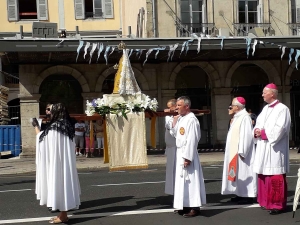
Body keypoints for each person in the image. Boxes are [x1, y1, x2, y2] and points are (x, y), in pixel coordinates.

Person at [32, 103, 81, 224]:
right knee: (63, 184)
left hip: (57, 162)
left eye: (52, 111)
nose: (51, 113)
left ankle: (63, 215)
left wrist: (35, 127)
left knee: (59, 184)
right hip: (64, 162)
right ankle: (63, 214)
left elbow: (43, 141)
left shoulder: (55, 127)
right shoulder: (67, 125)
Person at [253, 83, 291, 215]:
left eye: (265, 92)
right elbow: (258, 124)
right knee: (263, 174)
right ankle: (265, 201)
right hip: (264, 147)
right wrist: (256, 131)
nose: (262, 94)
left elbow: (280, 129)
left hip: (275, 149)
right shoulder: (265, 109)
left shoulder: (283, 109)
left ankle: (277, 204)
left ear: (272, 94)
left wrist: (263, 133)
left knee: (274, 176)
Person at [170, 96, 206, 218]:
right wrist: (174, 122)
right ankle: (184, 205)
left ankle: (194, 207)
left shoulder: (192, 120)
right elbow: (176, 134)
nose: (176, 107)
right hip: (180, 152)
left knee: (190, 181)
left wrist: (187, 157)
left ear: (187, 106)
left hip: (187, 153)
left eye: (179, 105)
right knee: (182, 182)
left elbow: (192, 140)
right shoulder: (182, 118)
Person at [221, 97, 257, 204]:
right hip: (234, 151)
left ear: (237, 107)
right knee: (237, 174)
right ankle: (239, 193)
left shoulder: (245, 117)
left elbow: (246, 136)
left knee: (244, 173)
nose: (230, 107)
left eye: (231, 105)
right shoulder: (237, 117)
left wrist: (242, 151)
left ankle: (247, 195)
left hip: (242, 153)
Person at [164, 99, 177, 196]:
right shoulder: (169, 116)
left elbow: (172, 129)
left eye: (169, 107)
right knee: (170, 172)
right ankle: (173, 192)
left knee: (176, 172)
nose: (167, 109)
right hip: (171, 148)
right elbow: (168, 125)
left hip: (176, 148)